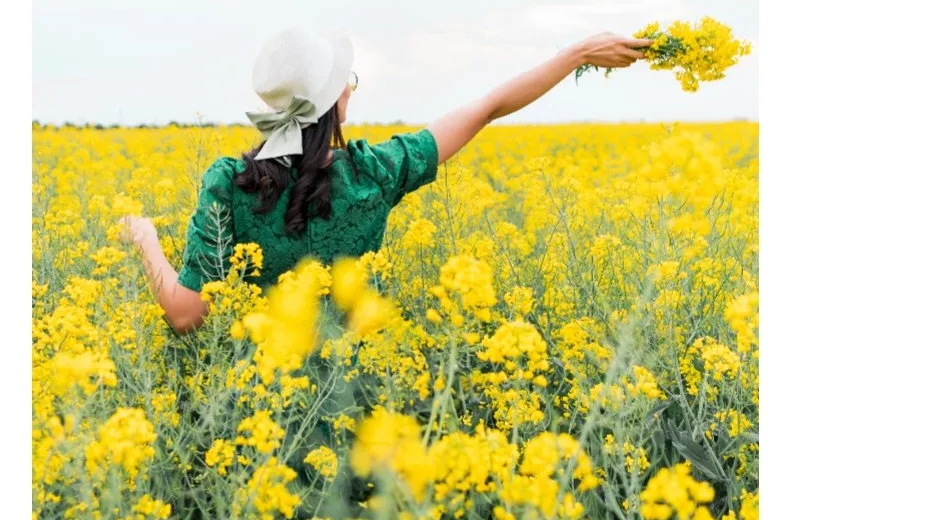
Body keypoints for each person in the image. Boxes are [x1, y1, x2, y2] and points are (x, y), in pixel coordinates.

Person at [120, 24, 650, 333]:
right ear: (337, 101)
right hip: (356, 394)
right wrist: (577, 53)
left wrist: (146, 238)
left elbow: (185, 315)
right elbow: (487, 107)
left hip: (262, 404)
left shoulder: (230, 184)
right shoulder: (375, 172)